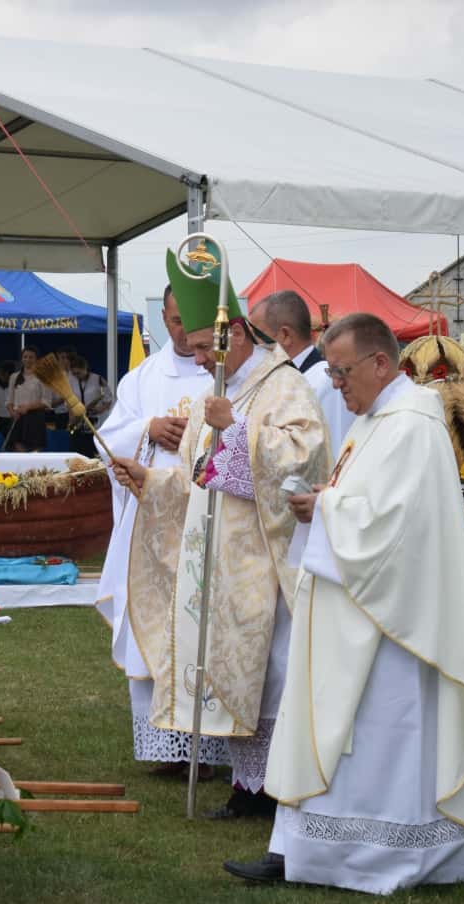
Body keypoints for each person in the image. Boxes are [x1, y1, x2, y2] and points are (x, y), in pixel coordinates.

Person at [224, 312, 464, 893]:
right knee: (328, 720)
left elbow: (396, 526)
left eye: (341, 372)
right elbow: (362, 499)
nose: (336, 384)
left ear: (380, 362)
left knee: (379, 733)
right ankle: (302, 849)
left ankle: (382, 854)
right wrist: (326, 502)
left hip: (392, 622)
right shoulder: (373, 421)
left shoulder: (412, 424)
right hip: (352, 602)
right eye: (331, 373)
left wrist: (326, 509)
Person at [112, 250, 329, 819]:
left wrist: (237, 433)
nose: (201, 357)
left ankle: (276, 785)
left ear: (236, 334)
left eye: (209, 346)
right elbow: (195, 478)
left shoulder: (285, 386)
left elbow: (304, 460)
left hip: (264, 558)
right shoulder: (223, 387)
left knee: (273, 672)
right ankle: (246, 783)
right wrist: (152, 481)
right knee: (228, 668)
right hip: (216, 561)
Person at [97, 283, 216, 778]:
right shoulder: (143, 378)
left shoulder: (228, 372)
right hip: (150, 520)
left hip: (204, 518)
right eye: (173, 321)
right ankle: (163, 747)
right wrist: (147, 429)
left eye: (192, 320)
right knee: (154, 624)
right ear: (163, 319)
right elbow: (107, 442)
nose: (184, 332)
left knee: (200, 625)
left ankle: (208, 747)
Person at [250, 291, 355, 451]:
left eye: (257, 340)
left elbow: (335, 450)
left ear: (285, 335)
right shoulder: (282, 380)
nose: (254, 350)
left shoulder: (325, 382)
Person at [6, 347, 55, 451]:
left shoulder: (43, 377)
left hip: (35, 418)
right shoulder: (14, 377)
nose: (27, 360)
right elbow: (9, 400)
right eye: (25, 357)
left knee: (34, 450)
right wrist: (12, 412)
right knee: (17, 447)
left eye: (31, 357)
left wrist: (28, 407)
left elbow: (46, 402)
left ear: (37, 359)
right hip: (18, 418)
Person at [66, 354, 112, 457]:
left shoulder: (98, 379)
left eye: (78, 373)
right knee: (77, 453)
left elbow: (108, 399)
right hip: (78, 423)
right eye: (74, 373)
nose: (76, 376)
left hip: (95, 422)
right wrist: (71, 417)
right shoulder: (71, 380)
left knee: (94, 454)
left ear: (85, 368)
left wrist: (100, 409)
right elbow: (68, 400)